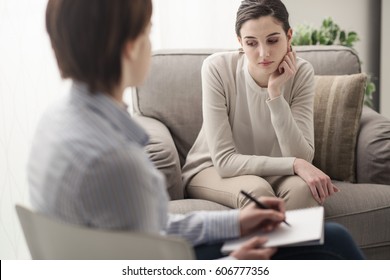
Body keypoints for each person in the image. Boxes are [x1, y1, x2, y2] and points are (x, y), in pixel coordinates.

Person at [28, 0, 365, 260]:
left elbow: (152, 230)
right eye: (147, 31)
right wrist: (231, 265)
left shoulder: (56, 123)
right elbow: (147, 263)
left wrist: (234, 224)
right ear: (130, 48)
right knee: (337, 243)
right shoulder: (116, 161)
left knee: (331, 238)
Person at [182, 0, 339, 210]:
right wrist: (293, 164)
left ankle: (291, 244)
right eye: (251, 43)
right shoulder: (217, 68)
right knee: (258, 191)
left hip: (274, 171)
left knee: (304, 191)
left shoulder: (302, 72)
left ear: (289, 35)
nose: (264, 53)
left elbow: (302, 156)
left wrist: (275, 94)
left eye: (273, 40)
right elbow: (225, 161)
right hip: (212, 170)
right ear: (240, 41)